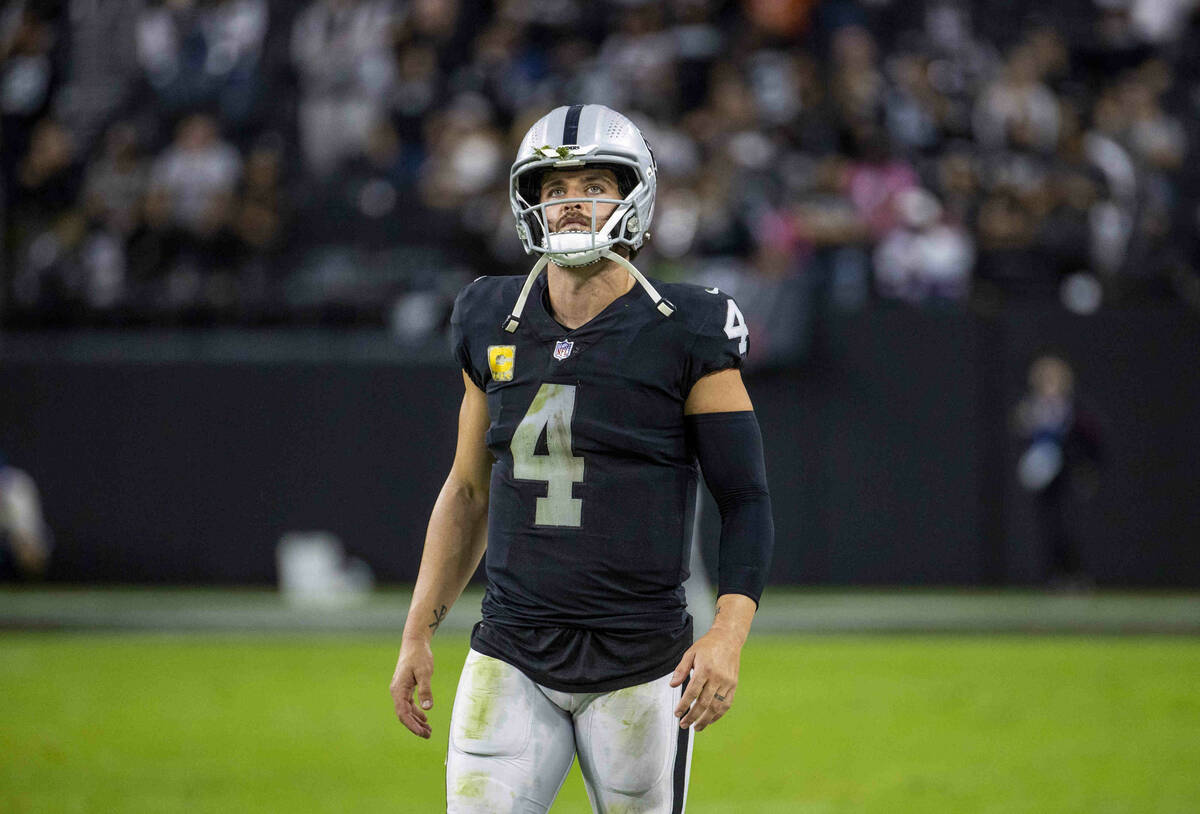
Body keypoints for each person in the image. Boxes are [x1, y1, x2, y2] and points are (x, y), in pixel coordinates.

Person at [389, 104, 774, 813]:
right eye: (555, 188)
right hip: (511, 649)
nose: (571, 204)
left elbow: (745, 498)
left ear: (634, 194)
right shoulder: (487, 314)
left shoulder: (686, 326)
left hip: (640, 661)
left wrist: (728, 634)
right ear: (528, 200)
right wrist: (417, 632)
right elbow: (469, 492)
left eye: (594, 185)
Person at [1014, 354, 1103, 587]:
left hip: (1067, 476)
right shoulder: (1031, 409)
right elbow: (1022, 438)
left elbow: (1092, 440)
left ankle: (1076, 575)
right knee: (1048, 527)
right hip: (1044, 479)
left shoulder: (1074, 409)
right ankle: (1054, 576)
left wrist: (1087, 468)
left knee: (1068, 526)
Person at [0, 451, 52, 581]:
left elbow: (26, 527)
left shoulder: (17, 484)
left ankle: (29, 583)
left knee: (32, 550)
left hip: (10, 535)